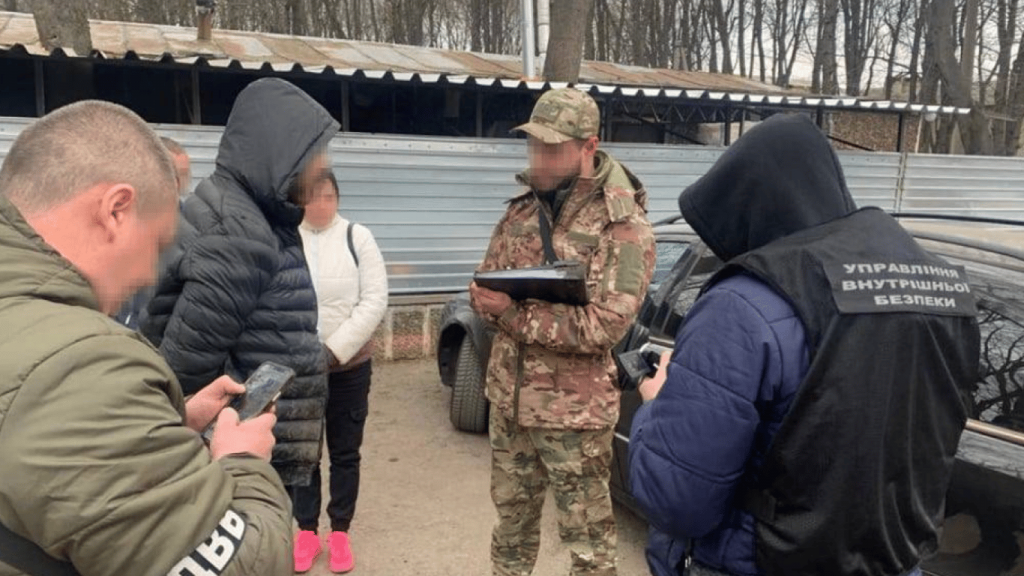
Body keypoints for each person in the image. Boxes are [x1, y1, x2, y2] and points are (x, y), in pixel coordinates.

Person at [627, 114, 981, 576]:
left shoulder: (742, 306)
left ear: (748, 209)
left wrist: (657, 405)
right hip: (893, 563)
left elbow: (677, 500)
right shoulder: (946, 291)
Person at [0, 100, 291, 575]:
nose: (150, 276)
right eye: (156, 245)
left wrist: (168, 420)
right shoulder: (79, 366)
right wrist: (243, 462)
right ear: (116, 210)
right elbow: (246, 566)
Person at [470, 87, 656, 576]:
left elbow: (604, 326)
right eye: (534, 145)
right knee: (510, 533)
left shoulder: (623, 227)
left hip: (575, 416)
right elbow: (487, 278)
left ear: (588, 148)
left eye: (552, 148)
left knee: (589, 549)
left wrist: (512, 316)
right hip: (510, 406)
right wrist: (486, 301)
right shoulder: (521, 211)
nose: (539, 157)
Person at [142, 77, 339, 491]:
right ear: (279, 152)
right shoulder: (238, 234)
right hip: (235, 459)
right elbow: (186, 370)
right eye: (315, 153)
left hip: (247, 445)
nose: (324, 167)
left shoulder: (251, 213)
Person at [288, 171, 389, 573]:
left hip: (349, 367)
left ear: (338, 198)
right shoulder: (288, 238)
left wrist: (334, 350)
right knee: (303, 453)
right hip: (299, 368)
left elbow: (374, 298)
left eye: (328, 196)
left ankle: (341, 531)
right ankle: (307, 531)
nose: (321, 205)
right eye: (312, 198)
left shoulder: (357, 237)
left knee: (345, 452)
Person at [113, 135, 191, 329]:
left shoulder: (193, 233)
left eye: (183, 175)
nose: (178, 183)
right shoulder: (116, 223)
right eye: (172, 174)